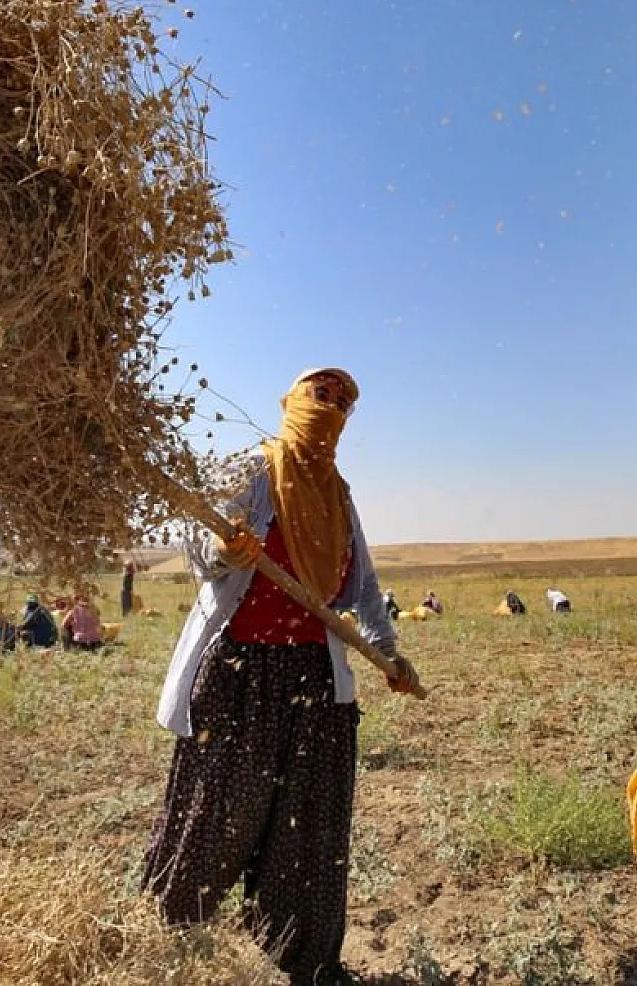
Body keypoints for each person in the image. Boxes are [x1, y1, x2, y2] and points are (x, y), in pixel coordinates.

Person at [142, 367, 419, 986]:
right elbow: (198, 547)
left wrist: (387, 650)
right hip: (240, 674)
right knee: (217, 816)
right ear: (292, 401)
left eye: (343, 401)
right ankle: (163, 948)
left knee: (310, 829)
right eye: (322, 393)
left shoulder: (339, 495)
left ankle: (307, 962)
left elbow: (364, 587)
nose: (332, 406)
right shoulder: (254, 470)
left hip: (317, 684)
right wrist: (224, 551)